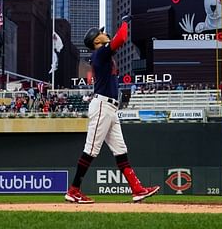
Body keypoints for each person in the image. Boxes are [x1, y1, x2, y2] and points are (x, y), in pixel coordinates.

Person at [64, 18, 160, 204]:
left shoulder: (103, 54)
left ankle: (137, 190)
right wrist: (124, 23)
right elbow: (122, 37)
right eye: (100, 33)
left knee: (120, 151)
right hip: (102, 106)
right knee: (91, 149)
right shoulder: (100, 53)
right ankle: (73, 190)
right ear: (96, 41)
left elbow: (117, 41)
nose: (104, 33)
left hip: (110, 108)